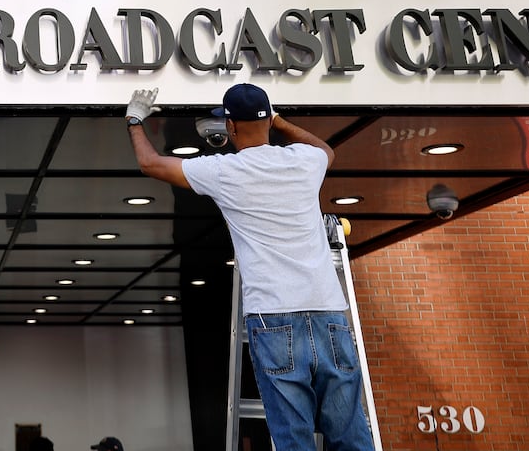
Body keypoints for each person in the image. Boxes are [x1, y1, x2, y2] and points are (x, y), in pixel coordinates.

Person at [125, 83, 373, 451]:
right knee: (350, 435)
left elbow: (150, 163)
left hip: (273, 317)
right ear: (268, 120)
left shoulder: (225, 171)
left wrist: (133, 120)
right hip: (327, 310)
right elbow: (325, 150)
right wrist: (280, 122)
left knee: (294, 440)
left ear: (230, 126)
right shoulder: (304, 161)